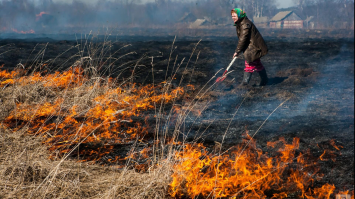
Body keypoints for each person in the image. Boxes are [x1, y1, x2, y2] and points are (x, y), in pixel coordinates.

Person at [231, 8, 269, 87]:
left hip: (254, 48)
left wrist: (237, 51)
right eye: (232, 16)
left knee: (249, 64)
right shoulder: (240, 23)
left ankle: (244, 84)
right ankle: (265, 80)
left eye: (234, 16)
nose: (233, 18)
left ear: (239, 15)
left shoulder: (245, 24)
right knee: (257, 64)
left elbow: (243, 38)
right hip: (252, 46)